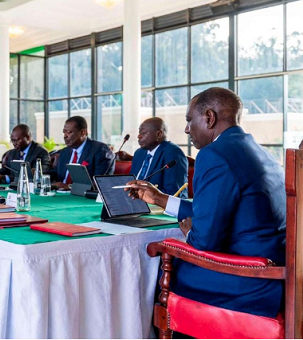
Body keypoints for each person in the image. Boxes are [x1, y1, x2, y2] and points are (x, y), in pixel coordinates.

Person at [127, 87, 286, 318]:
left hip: (248, 280)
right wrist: (160, 199)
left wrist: (191, 233)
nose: (186, 129)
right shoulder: (256, 149)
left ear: (209, 118)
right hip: (276, 272)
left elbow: (205, 241)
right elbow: (215, 209)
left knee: (151, 274)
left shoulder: (214, 154)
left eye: (190, 120)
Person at [48, 116, 115, 189]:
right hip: (59, 194)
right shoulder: (65, 152)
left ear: (83, 132)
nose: (65, 136)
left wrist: (69, 187)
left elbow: (99, 182)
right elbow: (56, 173)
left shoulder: (101, 150)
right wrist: (40, 175)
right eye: (64, 132)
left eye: (69, 132)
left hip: (83, 197)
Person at [130, 117, 188, 198]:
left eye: (143, 133)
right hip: (135, 201)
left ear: (159, 134)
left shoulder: (173, 153)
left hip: (158, 205)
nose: (139, 136)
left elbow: (174, 192)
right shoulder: (139, 153)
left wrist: (143, 194)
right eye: (139, 133)